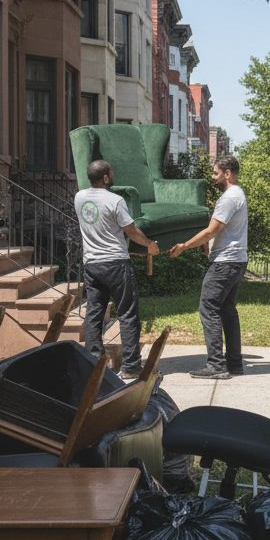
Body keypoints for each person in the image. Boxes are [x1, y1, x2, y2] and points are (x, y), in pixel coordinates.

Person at [75, 159, 159, 380]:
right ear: (105, 177)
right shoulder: (116, 200)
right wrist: (150, 244)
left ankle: (95, 365)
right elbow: (131, 231)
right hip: (116, 264)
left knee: (94, 314)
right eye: (111, 172)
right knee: (128, 314)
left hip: (92, 264)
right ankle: (131, 367)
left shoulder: (79, 197)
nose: (113, 175)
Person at [169, 154, 247, 380]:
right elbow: (220, 230)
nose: (213, 177)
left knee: (208, 308)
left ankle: (216, 365)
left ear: (227, 173)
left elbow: (212, 230)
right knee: (227, 311)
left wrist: (184, 246)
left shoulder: (229, 198)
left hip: (225, 263)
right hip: (237, 260)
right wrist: (207, 243)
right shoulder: (237, 194)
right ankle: (234, 363)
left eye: (215, 173)